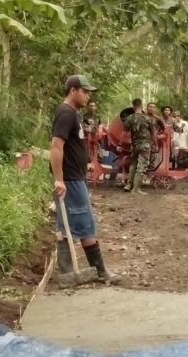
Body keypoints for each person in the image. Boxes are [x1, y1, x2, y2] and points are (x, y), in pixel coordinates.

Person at [49, 74, 122, 284]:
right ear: (73, 90)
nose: (87, 96)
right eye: (85, 91)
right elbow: (56, 146)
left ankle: (68, 273)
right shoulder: (66, 113)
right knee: (84, 225)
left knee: (68, 225)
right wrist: (59, 179)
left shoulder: (72, 114)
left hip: (73, 177)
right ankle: (98, 272)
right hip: (70, 179)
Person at [118, 99, 157, 195]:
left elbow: (124, 133)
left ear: (133, 106)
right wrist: (155, 145)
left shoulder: (130, 118)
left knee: (133, 165)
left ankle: (128, 185)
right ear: (142, 106)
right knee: (141, 167)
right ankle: (136, 189)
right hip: (145, 145)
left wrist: (119, 144)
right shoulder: (148, 118)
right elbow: (153, 133)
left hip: (135, 146)